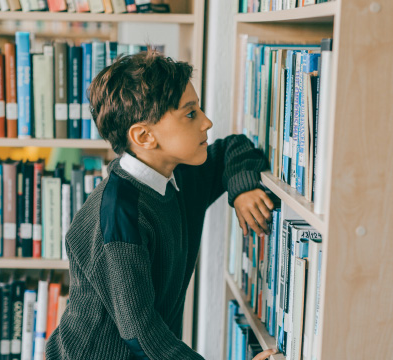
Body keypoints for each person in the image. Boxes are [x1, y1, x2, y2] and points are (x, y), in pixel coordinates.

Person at [45, 50, 277, 360]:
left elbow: (234, 147)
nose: (207, 121)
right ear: (144, 136)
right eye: (190, 113)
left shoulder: (176, 176)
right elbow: (140, 333)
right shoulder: (120, 215)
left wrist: (242, 189)